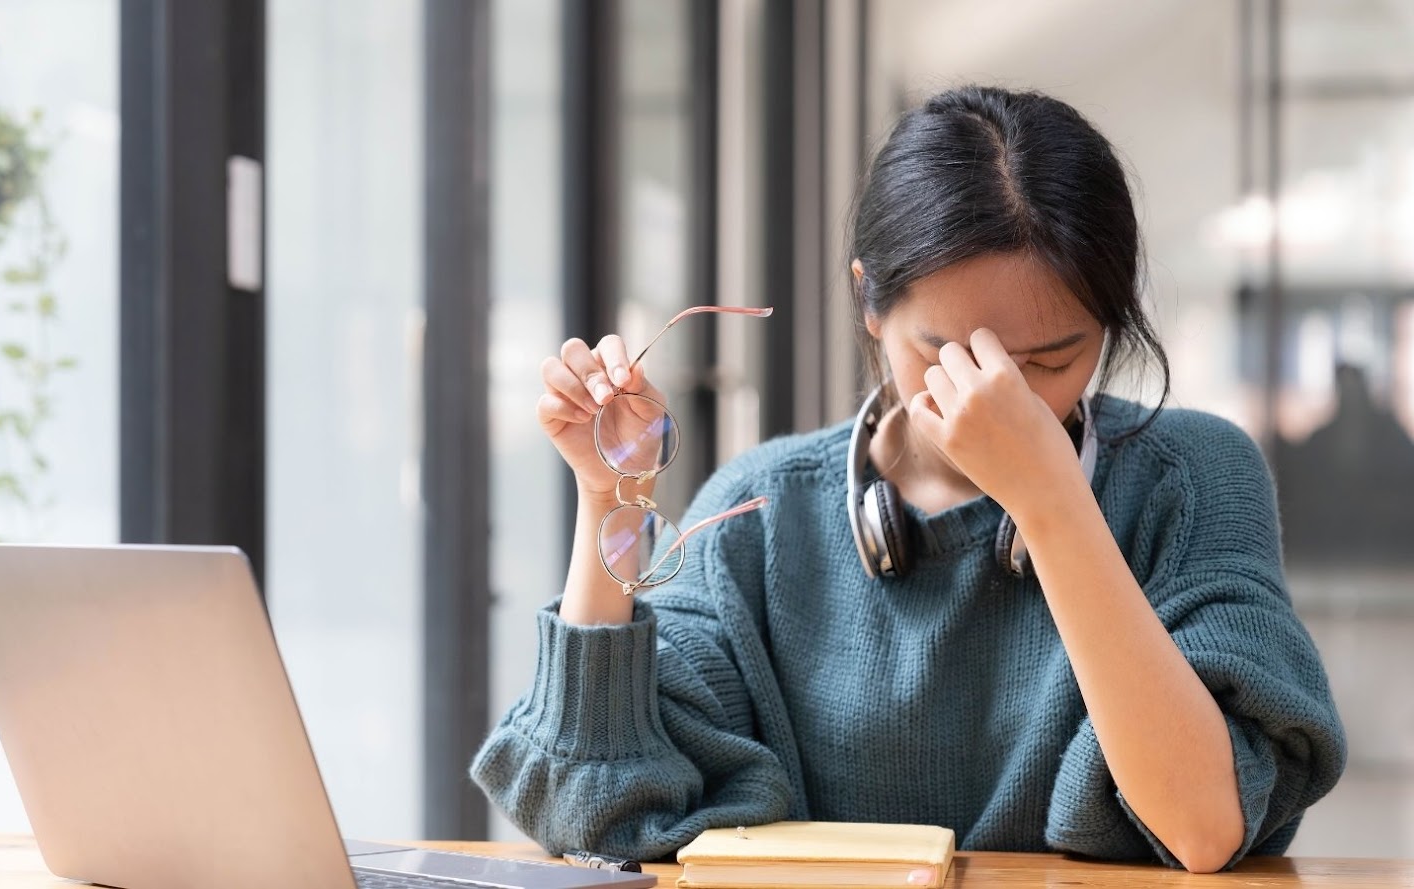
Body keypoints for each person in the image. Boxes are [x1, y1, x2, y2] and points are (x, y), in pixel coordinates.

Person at [470, 85, 1345, 874]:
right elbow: (586, 808)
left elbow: (1202, 825)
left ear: (1111, 328)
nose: (995, 395)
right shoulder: (766, 511)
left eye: (1052, 358)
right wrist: (607, 495)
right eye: (943, 351)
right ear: (869, 303)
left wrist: (1049, 501)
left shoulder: (1191, 477)